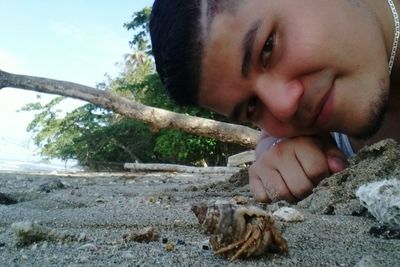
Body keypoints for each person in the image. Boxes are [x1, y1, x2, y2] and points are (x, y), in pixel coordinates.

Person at [149, 0, 400, 203]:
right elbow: (267, 138)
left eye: (268, 46)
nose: (284, 106)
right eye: (252, 106)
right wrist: (275, 149)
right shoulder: (321, 134)